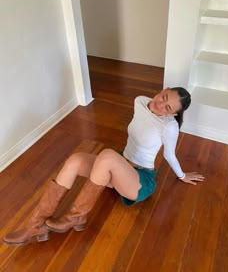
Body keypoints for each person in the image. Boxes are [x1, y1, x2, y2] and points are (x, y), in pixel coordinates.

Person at [3, 87, 204, 246]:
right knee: (75, 160)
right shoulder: (140, 101)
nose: (161, 104)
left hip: (139, 180)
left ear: (173, 114)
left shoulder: (169, 126)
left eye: (168, 108)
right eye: (164, 97)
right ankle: (34, 226)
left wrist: (181, 175)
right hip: (119, 164)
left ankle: (77, 216)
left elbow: (169, 154)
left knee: (106, 155)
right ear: (164, 89)